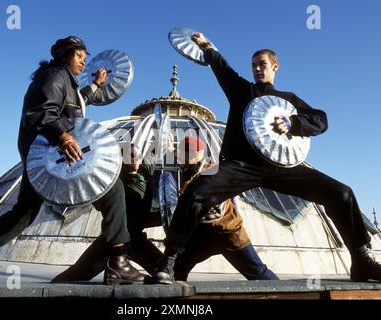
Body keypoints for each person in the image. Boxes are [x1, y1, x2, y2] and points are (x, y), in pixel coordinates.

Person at [152, 32, 381, 284]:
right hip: (241, 165)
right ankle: (169, 261)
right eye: (253, 65)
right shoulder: (242, 90)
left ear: (275, 66)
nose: (257, 69)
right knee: (196, 192)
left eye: (262, 64)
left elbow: (320, 119)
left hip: (281, 168)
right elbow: (221, 67)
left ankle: (362, 262)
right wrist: (205, 45)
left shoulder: (288, 99)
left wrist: (294, 122)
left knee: (342, 193)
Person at [0, 36, 144, 285]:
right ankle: (118, 263)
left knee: (22, 215)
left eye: (85, 59)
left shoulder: (65, 81)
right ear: (65, 55)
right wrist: (63, 135)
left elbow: (78, 102)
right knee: (112, 189)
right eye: (79, 57)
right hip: (56, 157)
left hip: (49, 160)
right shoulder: (55, 75)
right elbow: (41, 111)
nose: (83, 63)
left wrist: (96, 84)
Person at [172, 136, 278, 283]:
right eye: (183, 151)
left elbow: (214, 211)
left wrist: (188, 199)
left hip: (226, 232)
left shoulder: (212, 171)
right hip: (203, 234)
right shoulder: (187, 173)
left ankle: (287, 295)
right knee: (177, 269)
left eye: (190, 151)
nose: (185, 155)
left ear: (200, 152)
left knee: (258, 272)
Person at [51, 144, 163, 282]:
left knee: (166, 272)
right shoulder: (112, 183)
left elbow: (155, 152)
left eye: (137, 156)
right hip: (113, 243)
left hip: (137, 240)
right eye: (130, 156)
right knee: (74, 275)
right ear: (121, 159)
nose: (134, 159)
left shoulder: (144, 175)